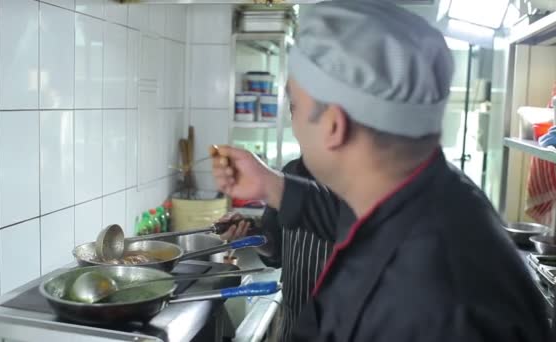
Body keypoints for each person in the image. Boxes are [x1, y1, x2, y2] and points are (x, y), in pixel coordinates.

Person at [210, 1, 551, 341]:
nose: (292, 122)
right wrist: (272, 185)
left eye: (295, 107)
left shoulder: (427, 301)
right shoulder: (424, 194)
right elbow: (341, 216)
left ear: (333, 125)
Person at [219, 157, 354, 341]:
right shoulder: (291, 171)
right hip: (293, 317)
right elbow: (275, 249)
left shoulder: (362, 181)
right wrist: (249, 233)